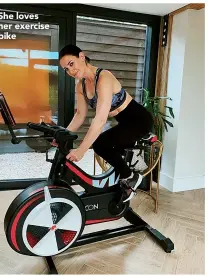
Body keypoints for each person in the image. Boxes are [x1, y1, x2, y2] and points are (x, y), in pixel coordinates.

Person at [55, 44, 154, 202]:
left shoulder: (104, 77)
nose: (70, 71)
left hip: (139, 120)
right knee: (109, 148)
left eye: (71, 64)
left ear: (81, 57)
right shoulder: (80, 85)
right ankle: (124, 179)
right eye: (66, 69)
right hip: (124, 123)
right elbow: (80, 115)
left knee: (100, 144)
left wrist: (81, 150)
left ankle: (131, 176)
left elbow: (100, 119)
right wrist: (62, 134)